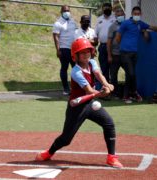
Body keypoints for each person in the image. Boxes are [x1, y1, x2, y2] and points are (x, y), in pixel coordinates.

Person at [35, 38, 123, 168]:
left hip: (90, 103)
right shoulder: (76, 72)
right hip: (76, 107)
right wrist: (101, 93)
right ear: (75, 55)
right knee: (66, 139)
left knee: (109, 124)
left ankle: (111, 157)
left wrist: (107, 84)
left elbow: (99, 75)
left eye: (88, 51)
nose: (86, 54)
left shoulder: (92, 62)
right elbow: (88, 91)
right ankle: (49, 152)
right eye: (82, 52)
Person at [115, 6, 157, 103]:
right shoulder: (126, 23)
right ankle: (133, 93)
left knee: (130, 75)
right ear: (132, 14)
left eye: (138, 14)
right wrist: (124, 46)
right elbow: (117, 38)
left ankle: (127, 95)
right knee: (131, 73)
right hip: (125, 53)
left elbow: (151, 27)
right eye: (135, 14)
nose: (136, 15)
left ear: (140, 14)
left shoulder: (140, 24)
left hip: (134, 54)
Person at [53, 5, 78, 95]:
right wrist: (58, 50)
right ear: (61, 12)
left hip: (74, 49)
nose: (67, 12)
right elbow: (55, 37)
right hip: (64, 49)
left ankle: (75, 87)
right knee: (64, 68)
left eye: (68, 10)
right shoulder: (58, 23)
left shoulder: (72, 21)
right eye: (65, 11)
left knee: (76, 68)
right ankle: (66, 89)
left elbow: (76, 33)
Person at [95, 3, 116, 86]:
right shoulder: (99, 19)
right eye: (105, 7)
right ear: (102, 8)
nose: (106, 9)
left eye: (108, 7)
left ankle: (114, 88)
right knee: (104, 69)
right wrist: (94, 47)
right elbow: (95, 34)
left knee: (113, 69)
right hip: (103, 46)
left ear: (111, 8)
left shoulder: (115, 18)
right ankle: (106, 88)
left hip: (113, 47)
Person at [107, 8, 125, 99]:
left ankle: (127, 93)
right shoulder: (112, 27)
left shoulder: (128, 25)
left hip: (126, 54)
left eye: (121, 14)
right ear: (115, 16)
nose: (120, 15)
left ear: (124, 15)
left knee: (130, 73)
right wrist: (109, 55)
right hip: (115, 54)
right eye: (118, 14)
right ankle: (114, 93)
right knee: (113, 75)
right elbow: (109, 42)